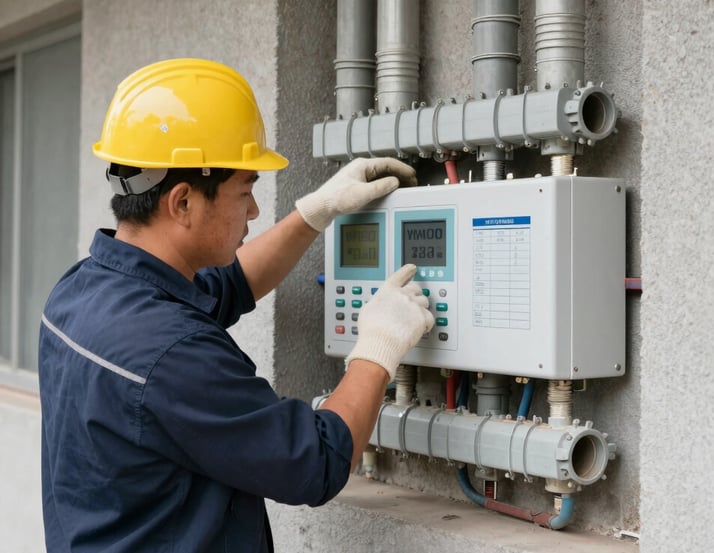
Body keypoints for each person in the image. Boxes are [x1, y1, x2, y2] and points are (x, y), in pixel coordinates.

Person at [38, 58, 434, 553]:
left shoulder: (78, 292)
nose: (253, 209)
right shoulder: (173, 353)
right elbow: (316, 461)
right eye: (245, 191)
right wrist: (378, 346)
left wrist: (314, 213)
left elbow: (226, 284)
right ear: (183, 202)